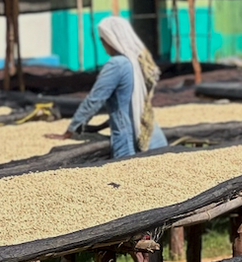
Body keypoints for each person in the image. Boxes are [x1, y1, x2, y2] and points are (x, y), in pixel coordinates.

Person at [46, 16, 168, 159]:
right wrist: (96, 127)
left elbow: (94, 100)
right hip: (153, 134)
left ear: (110, 40)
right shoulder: (140, 60)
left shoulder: (117, 64)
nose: (102, 43)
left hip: (130, 142)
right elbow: (130, 104)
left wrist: (70, 130)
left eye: (102, 39)